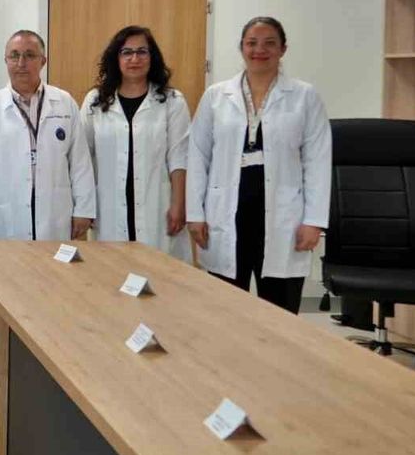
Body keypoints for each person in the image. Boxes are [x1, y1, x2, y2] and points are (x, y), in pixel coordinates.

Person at [187, 17, 331, 314]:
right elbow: (198, 156)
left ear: (283, 49)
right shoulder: (216, 96)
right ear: (241, 47)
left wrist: (314, 221)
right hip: (228, 214)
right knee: (225, 311)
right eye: (252, 43)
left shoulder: (304, 96)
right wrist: (195, 214)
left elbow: (318, 160)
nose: (259, 50)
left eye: (269, 43)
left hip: (283, 217)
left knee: (280, 311)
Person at [0, 30, 94, 241]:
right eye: (14, 55)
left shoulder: (64, 102)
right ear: (6, 60)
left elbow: (80, 162)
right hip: (7, 212)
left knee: (53, 261)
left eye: (29, 55)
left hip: (55, 211)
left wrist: (84, 209)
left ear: (43, 61)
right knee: (11, 262)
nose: (21, 63)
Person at [81, 26, 191, 259]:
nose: (134, 59)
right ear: (116, 58)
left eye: (142, 51)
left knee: (160, 272)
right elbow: (83, 157)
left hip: (157, 205)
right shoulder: (95, 101)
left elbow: (179, 157)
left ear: (152, 57)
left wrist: (178, 204)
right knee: (112, 270)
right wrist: (84, 205)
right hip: (108, 206)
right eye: (127, 52)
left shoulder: (172, 101)